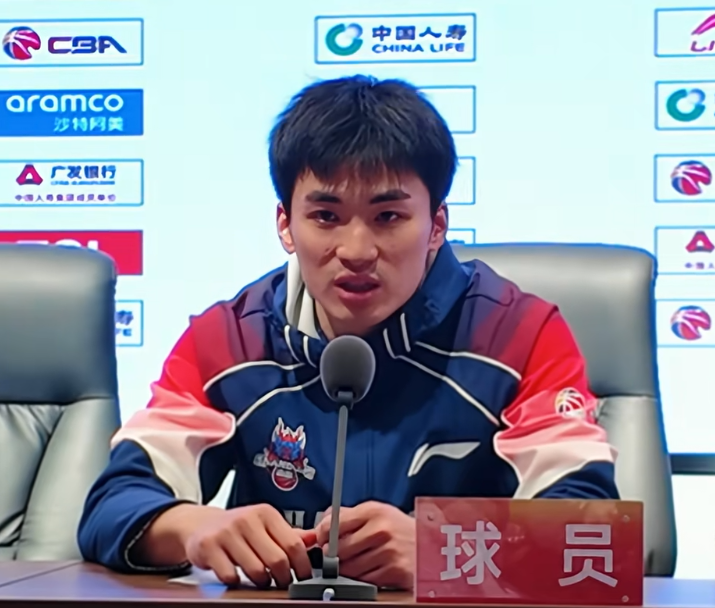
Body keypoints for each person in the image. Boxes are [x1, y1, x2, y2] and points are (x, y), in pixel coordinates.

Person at [77, 75, 619, 591]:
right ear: (286, 225)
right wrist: (195, 528)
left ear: (436, 225)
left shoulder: (520, 335)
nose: (357, 251)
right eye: (326, 216)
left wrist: (442, 552)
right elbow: (112, 505)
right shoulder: (227, 341)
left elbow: (594, 535)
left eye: (388, 217)